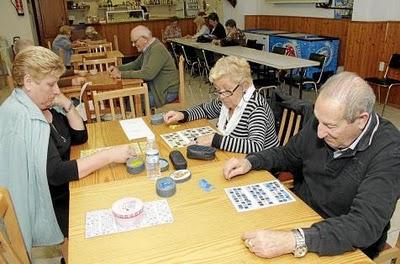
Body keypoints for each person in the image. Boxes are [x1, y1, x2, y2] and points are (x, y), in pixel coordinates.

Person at [223, 72, 400, 260]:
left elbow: (364, 225)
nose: (320, 132)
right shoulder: (322, 122)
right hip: (303, 214)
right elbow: (288, 154)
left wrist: (294, 240)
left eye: (330, 126)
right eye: (319, 121)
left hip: (346, 241)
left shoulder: (390, 152)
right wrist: (251, 161)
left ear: (361, 120)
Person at [0, 46, 135, 258]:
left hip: (64, 189)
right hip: (51, 201)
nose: (56, 90)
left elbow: (79, 138)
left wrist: (67, 105)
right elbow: (56, 173)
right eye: (51, 84)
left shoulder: (41, 106)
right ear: (28, 83)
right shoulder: (23, 116)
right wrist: (108, 155)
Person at [164, 56, 278, 154]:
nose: (222, 96)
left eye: (227, 90)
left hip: (263, 168)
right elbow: (205, 110)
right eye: (218, 90)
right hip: (235, 157)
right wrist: (183, 115)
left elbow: (255, 146)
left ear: (244, 86)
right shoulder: (227, 99)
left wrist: (215, 140)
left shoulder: (256, 108)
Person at [109, 25, 179, 108]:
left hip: (165, 92)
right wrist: (117, 68)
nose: (133, 45)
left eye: (135, 41)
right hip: (157, 89)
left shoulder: (157, 49)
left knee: (132, 102)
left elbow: (148, 74)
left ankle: (140, 119)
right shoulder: (149, 48)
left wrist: (121, 74)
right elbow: (135, 64)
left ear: (145, 39)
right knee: (129, 97)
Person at [13, 38, 85, 88]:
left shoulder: (34, 64)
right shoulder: (24, 71)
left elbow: (53, 73)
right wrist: (72, 82)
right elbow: (46, 83)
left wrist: (74, 71)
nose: (34, 55)